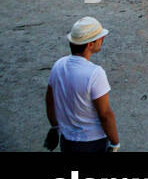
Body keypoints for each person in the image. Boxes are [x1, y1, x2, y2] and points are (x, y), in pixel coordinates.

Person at [46, 17, 119, 153]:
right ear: (90, 44)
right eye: (100, 38)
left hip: (67, 141)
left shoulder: (58, 65)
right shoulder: (95, 73)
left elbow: (50, 101)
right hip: (92, 142)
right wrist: (115, 143)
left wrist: (54, 127)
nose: (102, 39)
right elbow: (105, 114)